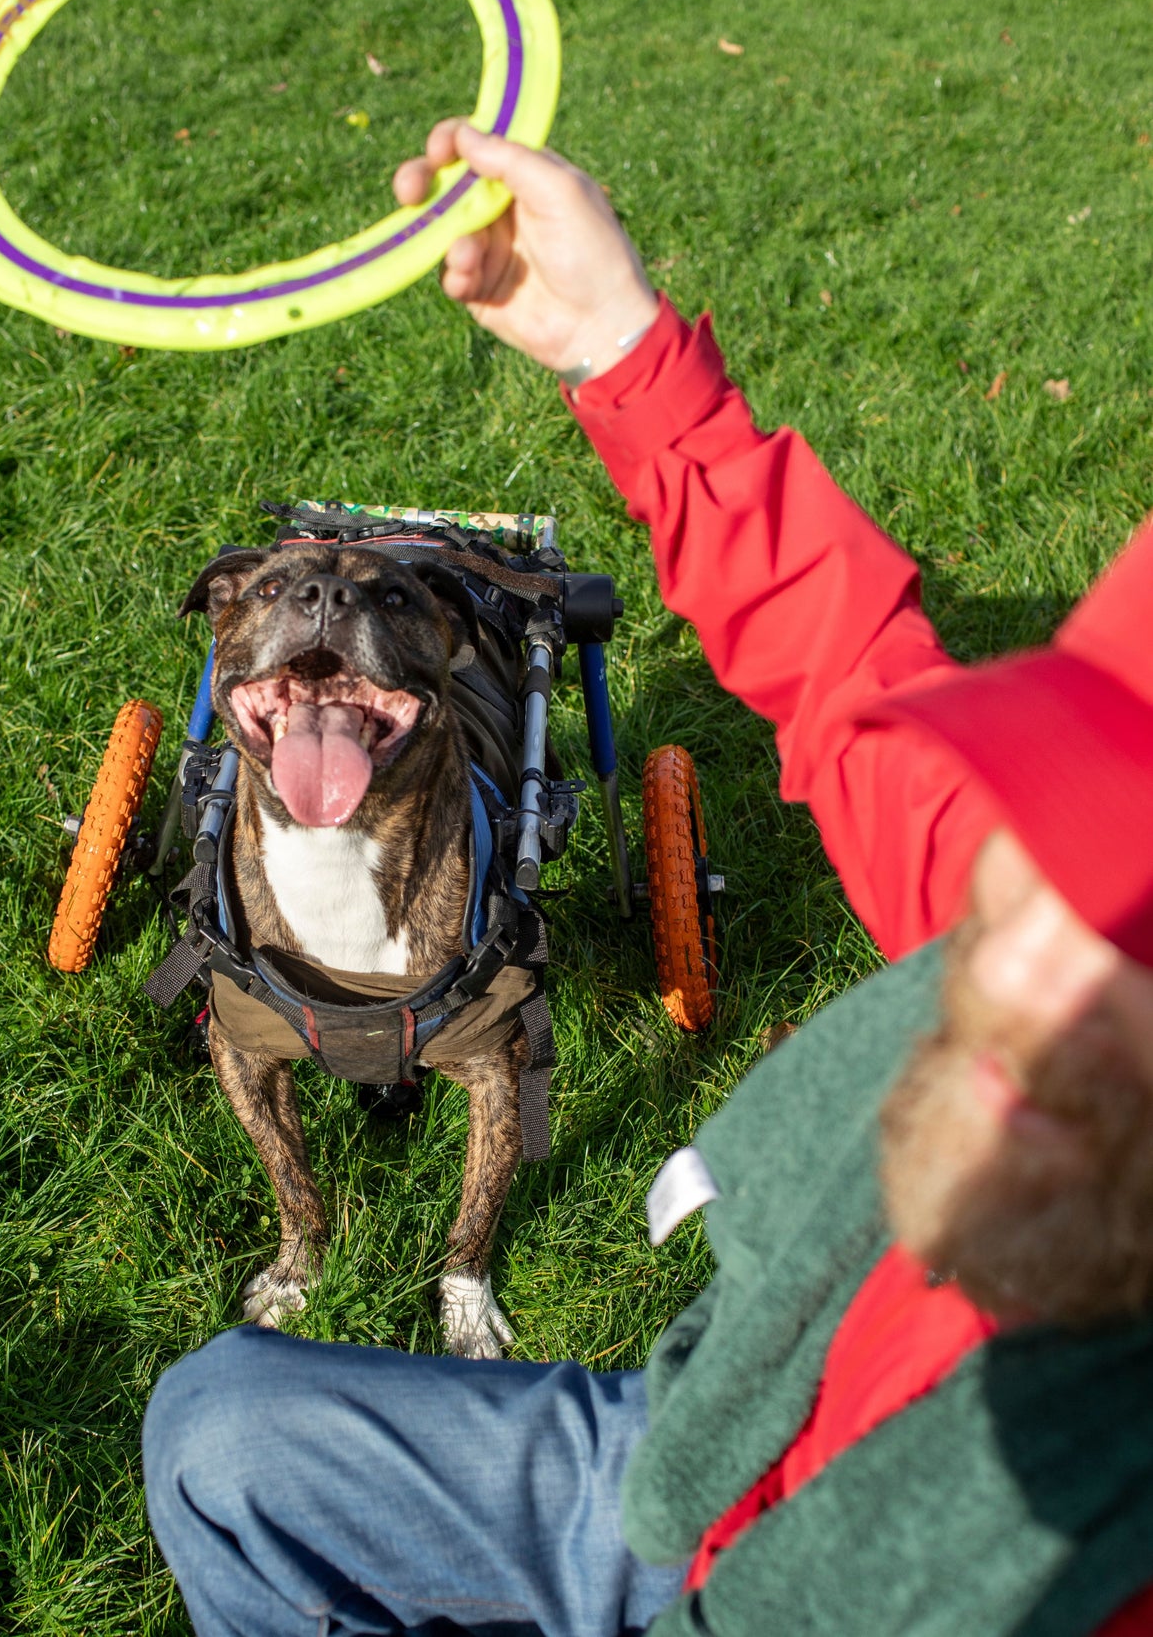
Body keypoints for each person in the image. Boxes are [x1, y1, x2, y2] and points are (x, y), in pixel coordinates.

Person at [141, 121, 1153, 1637]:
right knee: (220, 1436)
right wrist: (624, 348)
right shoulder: (1033, 962)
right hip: (737, 1451)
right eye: (1059, 858)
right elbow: (861, 698)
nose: (996, 966)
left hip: (820, 1562)